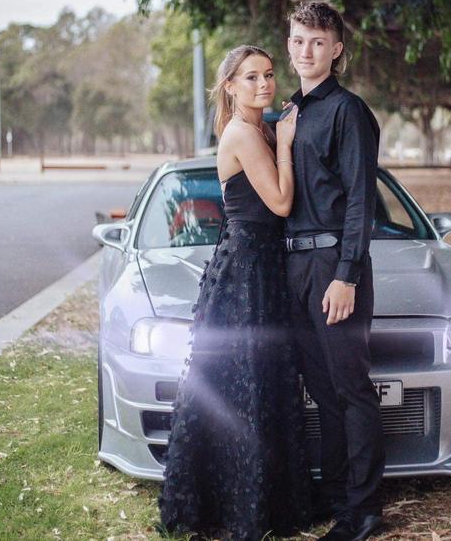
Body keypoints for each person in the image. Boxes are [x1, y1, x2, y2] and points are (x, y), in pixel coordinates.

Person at [158, 45, 311, 541]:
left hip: (265, 269)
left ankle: (268, 501)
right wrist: (285, 142)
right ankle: (232, 507)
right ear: (230, 86)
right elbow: (282, 201)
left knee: (262, 384)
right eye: (251, 78)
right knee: (239, 387)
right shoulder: (244, 133)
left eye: (269, 75)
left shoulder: (261, 127)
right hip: (244, 273)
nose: (264, 85)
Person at [283, 2, 385, 541]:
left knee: (350, 391)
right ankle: (335, 500)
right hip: (294, 264)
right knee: (320, 394)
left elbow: (359, 202)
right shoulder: (288, 113)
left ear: (337, 50)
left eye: (318, 42)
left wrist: (345, 275)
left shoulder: (349, 111)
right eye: (299, 40)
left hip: (333, 267)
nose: (306, 51)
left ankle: (364, 511)